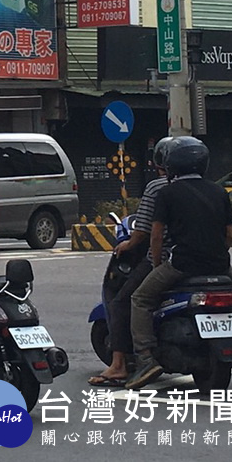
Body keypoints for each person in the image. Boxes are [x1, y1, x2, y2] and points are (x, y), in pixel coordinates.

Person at [124, 136, 232, 389]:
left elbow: (155, 235)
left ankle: (145, 358)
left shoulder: (167, 193)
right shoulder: (219, 191)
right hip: (220, 264)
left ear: (172, 165)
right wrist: (216, 253)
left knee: (140, 299)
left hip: (183, 264)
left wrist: (156, 265)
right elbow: (230, 235)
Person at [88, 137, 174, 387]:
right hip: (211, 262)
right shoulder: (207, 187)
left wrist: (131, 246)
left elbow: (148, 232)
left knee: (125, 300)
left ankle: (122, 364)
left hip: (170, 259)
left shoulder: (159, 188)